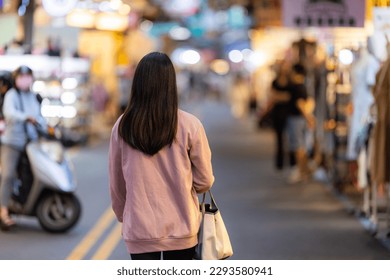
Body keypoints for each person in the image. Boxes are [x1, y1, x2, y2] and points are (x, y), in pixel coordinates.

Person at [108, 52, 214, 260]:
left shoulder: (122, 126)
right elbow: (205, 181)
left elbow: (117, 182)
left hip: (139, 229)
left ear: (138, 83)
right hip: (182, 227)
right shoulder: (190, 125)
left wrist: (124, 215)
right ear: (170, 84)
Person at [0, 65, 46, 231]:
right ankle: (3, 212)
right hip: (12, 143)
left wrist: (45, 127)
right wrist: (26, 117)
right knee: (8, 175)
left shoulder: (33, 97)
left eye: (28, 76)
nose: (25, 79)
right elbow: (10, 113)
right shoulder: (12, 95)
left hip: (30, 144)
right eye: (22, 76)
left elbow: (39, 117)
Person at [286, 63, 315, 183]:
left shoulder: (297, 86)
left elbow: (301, 104)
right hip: (300, 119)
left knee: (298, 147)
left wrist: (309, 118)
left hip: (296, 119)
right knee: (302, 146)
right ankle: (304, 171)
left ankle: (301, 171)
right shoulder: (303, 86)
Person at [269, 60, 291, 171]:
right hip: (278, 113)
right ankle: (280, 162)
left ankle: (292, 162)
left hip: (288, 112)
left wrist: (280, 97)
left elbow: (290, 97)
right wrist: (284, 97)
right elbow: (273, 96)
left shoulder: (290, 82)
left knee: (291, 138)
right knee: (279, 138)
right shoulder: (275, 82)